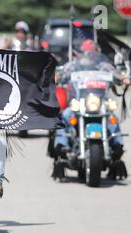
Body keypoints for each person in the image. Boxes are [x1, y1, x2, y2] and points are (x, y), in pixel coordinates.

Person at [54, 40, 129, 178]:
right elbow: (61, 75)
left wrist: (123, 78)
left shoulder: (103, 66)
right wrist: (55, 77)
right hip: (79, 103)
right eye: (87, 51)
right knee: (65, 115)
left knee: (114, 119)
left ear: (97, 53)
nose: (90, 54)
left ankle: (117, 147)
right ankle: (62, 145)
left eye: (93, 51)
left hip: (99, 103)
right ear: (82, 52)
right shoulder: (74, 66)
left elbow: (116, 74)